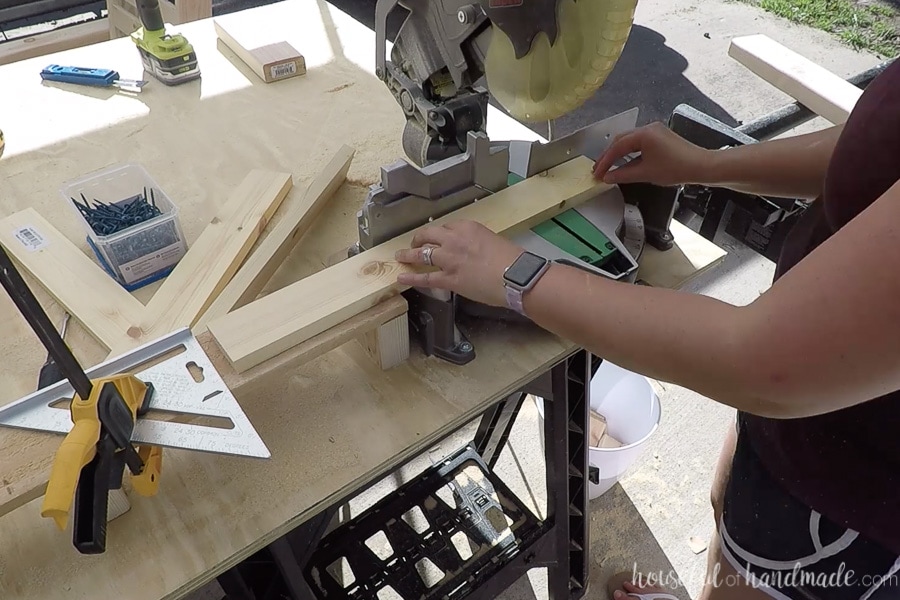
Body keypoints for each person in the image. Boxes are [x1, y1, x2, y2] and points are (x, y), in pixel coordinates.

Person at [393, 57, 900, 600]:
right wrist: (706, 164)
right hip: (802, 426)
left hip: (852, 482)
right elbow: (871, 148)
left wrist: (516, 276)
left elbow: (766, 364)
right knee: (725, 508)